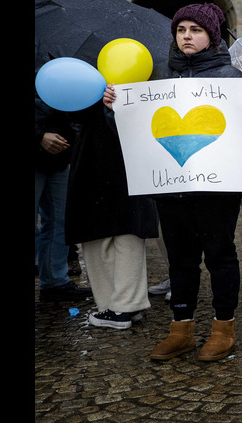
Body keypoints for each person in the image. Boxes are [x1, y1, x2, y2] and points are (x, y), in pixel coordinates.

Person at [104, 3, 242, 361]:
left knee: (220, 255)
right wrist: (113, 110)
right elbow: (136, 135)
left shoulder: (232, 78)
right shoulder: (158, 76)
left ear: (212, 36)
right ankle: (182, 329)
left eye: (195, 30)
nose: (187, 36)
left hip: (217, 188)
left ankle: (224, 329)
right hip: (169, 186)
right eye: (181, 30)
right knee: (180, 259)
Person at [65, 86, 156, 330]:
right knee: (128, 230)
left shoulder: (87, 74)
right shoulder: (149, 69)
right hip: (130, 158)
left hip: (97, 157)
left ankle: (115, 308)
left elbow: (72, 115)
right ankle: (128, 304)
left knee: (102, 235)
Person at [35, 92, 92, 303]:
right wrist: (38, 135)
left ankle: (55, 282)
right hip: (46, 142)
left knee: (60, 221)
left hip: (61, 152)